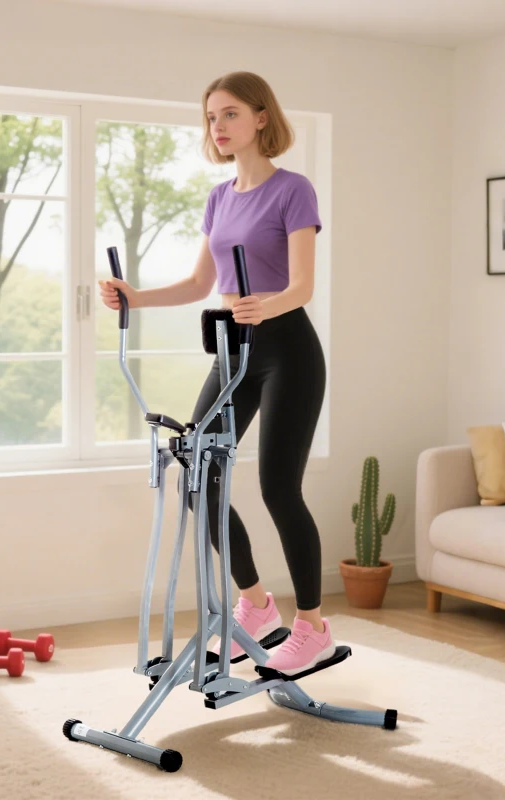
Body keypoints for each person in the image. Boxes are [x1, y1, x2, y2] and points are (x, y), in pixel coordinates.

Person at [98, 71, 332, 676]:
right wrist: (134, 297)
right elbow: (202, 284)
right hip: (234, 351)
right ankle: (255, 606)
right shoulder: (220, 196)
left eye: (229, 114)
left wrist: (266, 304)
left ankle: (312, 627)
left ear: (260, 117)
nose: (218, 127)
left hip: (287, 349)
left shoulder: (293, 190)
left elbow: (302, 283)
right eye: (210, 118)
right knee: (198, 477)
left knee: (280, 487)